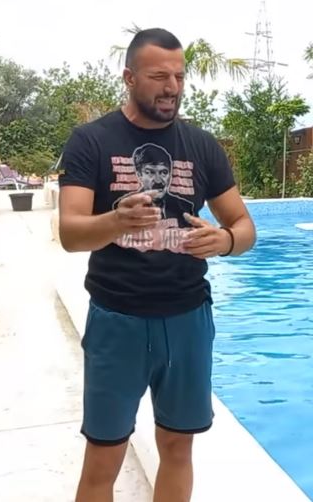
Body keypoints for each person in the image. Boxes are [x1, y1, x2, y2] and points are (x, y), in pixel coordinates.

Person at [58, 28, 256, 502]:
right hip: (117, 320)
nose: (172, 87)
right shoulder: (91, 141)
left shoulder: (202, 145)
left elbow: (244, 225)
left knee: (178, 446)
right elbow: (69, 233)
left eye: (179, 77)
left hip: (187, 319)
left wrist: (225, 240)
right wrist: (116, 220)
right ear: (129, 78)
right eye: (159, 76)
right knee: (104, 455)